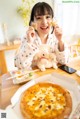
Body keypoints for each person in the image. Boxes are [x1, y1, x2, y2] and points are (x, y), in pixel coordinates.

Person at [14, 2, 69, 70]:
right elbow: (20, 65)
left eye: (48, 17)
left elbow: (64, 61)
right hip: (34, 78)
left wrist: (60, 40)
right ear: (32, 22)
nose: (44, 22)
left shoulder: (55, 38)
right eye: (39, 18)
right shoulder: (27, 38)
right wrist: (29, 43)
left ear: (52, 20)